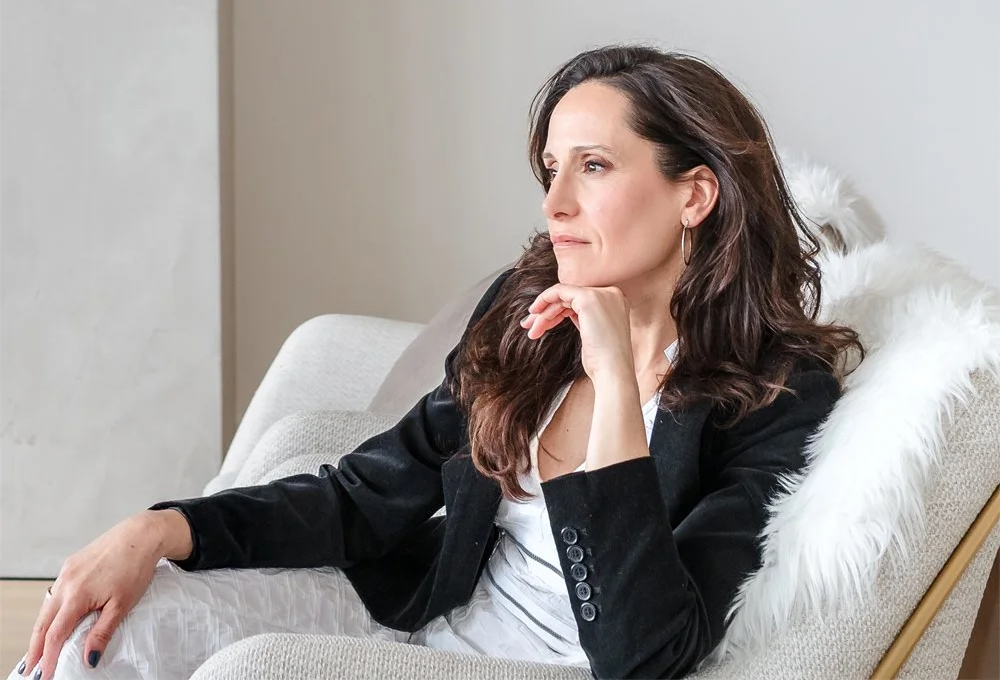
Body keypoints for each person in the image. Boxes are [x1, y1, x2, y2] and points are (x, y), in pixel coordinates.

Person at [11, 45, 865, 680]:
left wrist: (615, 386)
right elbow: (368, 495)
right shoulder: (529, 310)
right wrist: (159, 528)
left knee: (251, 671)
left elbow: (642, 652)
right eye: (550, 168)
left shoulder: (775, 391)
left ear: (695, 193)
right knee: (117, 626)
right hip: (427, 616)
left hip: (547, 668)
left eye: (593, 167)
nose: (554, 202)